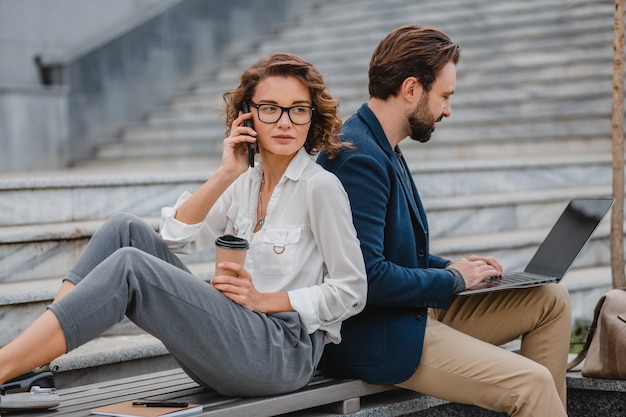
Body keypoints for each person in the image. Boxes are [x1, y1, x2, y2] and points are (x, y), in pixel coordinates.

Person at [0, 52, 367, 411]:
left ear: (311, 117)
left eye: (298, 109)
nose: (285, 122)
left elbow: (352, 290)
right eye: (270, 108)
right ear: (248, 116)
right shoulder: (244, 182)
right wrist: (226, 173)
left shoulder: (320, 187)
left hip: (280, 354)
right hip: (232, 342)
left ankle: (3, 366)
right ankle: (30, 369)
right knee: (124, 229)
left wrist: (266, 301)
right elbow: (177, 238)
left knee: (131, 266)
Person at [317, 25, 571, 417]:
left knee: (549, 300)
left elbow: (394, 254)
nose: (448, 110)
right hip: (379, 337)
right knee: (529, 383)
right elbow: (365, 277)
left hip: (408, 314)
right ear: (411, 89)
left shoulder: (382, 144)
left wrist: (455, 267)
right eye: (445, 96)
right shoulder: (359, 158)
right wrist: (453, 280)